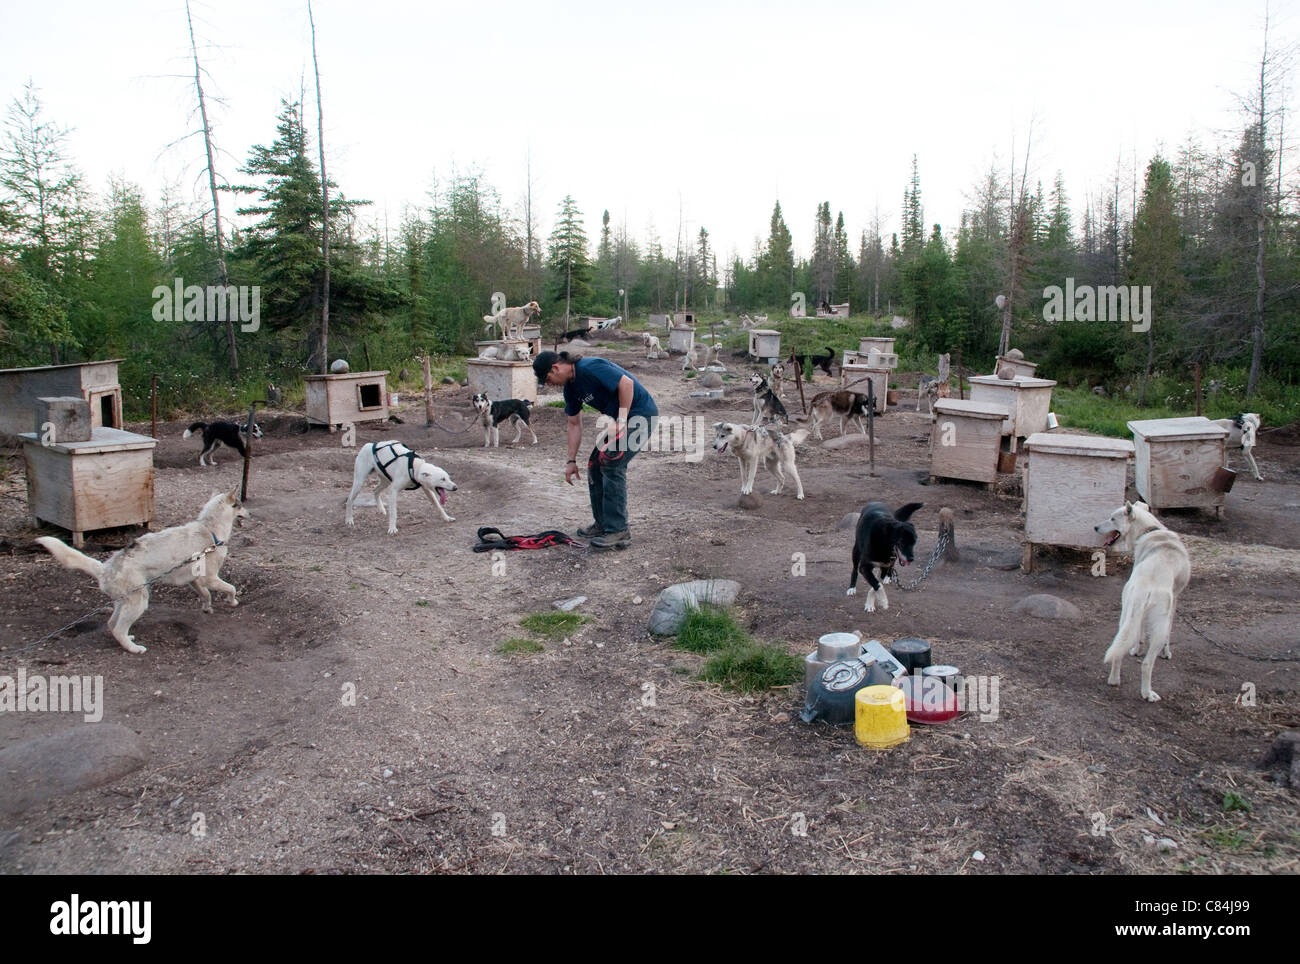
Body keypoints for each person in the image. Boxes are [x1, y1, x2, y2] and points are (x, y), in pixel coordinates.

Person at [532, 350, 658, 550]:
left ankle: (618, 531)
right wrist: (571, 461)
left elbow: (627, 384)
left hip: (641, 414)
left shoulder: (589, 367)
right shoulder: (570, 389)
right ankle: (603, 524)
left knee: (611, 462)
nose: (549, 384)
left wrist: (622, 420)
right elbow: (574, 424)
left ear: (555, 368)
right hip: (622, 420)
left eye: (548, 379)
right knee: (595, 463)